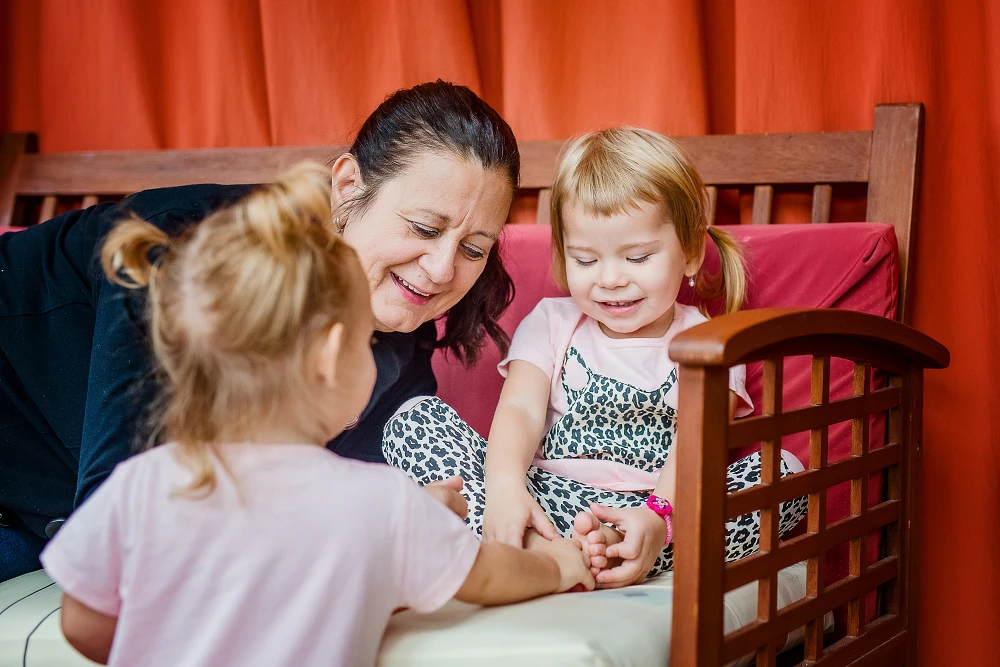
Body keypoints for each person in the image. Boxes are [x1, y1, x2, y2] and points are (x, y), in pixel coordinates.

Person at [40, 163, 594, 667]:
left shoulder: (140, 484)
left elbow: (82, 623)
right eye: (364, 341)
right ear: (331, 357)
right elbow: (490, 574)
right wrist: (561, 566)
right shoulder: (384, 506)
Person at [0, 80, 519, 582]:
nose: (443, 270)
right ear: (347, 187)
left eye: (474, 248)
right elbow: (119, 532)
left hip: (39, 517)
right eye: (424, 228)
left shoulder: (400, 337)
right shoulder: (188, 254)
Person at [383, 127, 808, 587]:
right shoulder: (551, 322)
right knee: (413, 420)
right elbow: (521, 411)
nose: (610, 279)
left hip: (655, 509)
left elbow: (697, 445)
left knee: (785, 476)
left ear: (688, 251)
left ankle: (614, 554)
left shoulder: (709, 340)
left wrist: (657, 520)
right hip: (548, 498)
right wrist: (507, 487)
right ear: (565, 259)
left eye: (637, 257)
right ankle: (535, 541)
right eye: (586, 261)